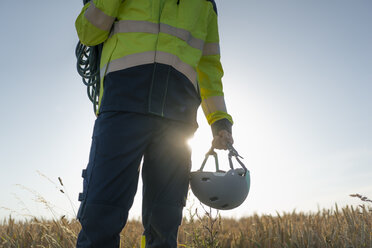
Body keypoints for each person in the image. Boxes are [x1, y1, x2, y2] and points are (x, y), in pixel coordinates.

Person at [75, 0, 234, 247]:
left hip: (177, 125)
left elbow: (209, 68)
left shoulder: (206, 4)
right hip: (121, 109)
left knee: (164, 225)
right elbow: (88, 33)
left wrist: (219, 120)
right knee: (100, 215)